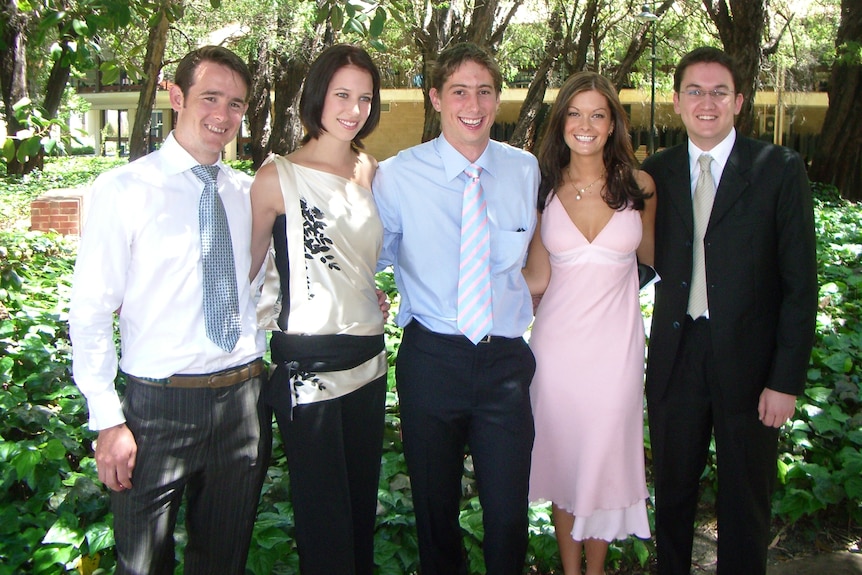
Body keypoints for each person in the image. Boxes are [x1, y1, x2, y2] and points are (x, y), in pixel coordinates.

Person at [68, 46, 271, 575]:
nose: (222, 116)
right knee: (142, 564)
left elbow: (271, 284)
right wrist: (107, 419)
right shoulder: (123, 191)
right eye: (210, 98)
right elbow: (90, 310)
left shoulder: (250, 195)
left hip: (243, 403)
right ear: (177, 97)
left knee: (223, 562)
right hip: (157, 409)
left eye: (235, 104)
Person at [641, 46, 817, 575]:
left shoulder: (778, 171)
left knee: (746, 501)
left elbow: (799, 286)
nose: (707, 102)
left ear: (739, 101)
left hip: (752, 365)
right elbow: (628, 258)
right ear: (676, 101)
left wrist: (785, 381)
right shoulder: (656, 174)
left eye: (720, 92)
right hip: (677, 357)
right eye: (694, 91)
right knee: (672, 496)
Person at [373, 42, 540, 575]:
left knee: (510, 517)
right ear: (436, 98)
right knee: (434, 511)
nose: (473, 103)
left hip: (504, 365)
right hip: (431, 360)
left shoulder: (524, 169)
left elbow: (537, 257)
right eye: (460, 91)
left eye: (484, 91)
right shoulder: (397, 175)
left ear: (498, 98)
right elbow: (368, 254)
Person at [249, 44, 387, 575]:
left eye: (365, 98)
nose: (355, 109)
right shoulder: (277, 176)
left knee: (358, 511)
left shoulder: (368, 169)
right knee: (323, 520)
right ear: (317, 97)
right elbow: (251, 275)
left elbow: (357, 260)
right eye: (342, 95)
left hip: (371, 360)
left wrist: (366, 292)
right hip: (310, 368)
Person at [523, 71, 656, 575]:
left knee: (602, 455)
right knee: (566, 456)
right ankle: (570, 569)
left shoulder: (640, 186)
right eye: (575, 113)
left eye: (598, 114)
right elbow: (536, 275)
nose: (586, 124)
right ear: (561, 123)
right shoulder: (543, 189)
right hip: (556, 349)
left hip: (617, 349)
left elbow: (654, 263)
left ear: (612, 124)